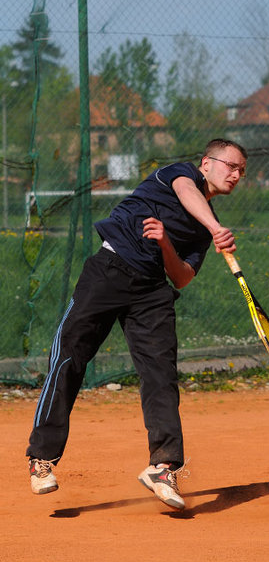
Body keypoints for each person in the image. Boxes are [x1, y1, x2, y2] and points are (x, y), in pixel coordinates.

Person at [26, 138, 247, 510]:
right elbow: (186, 192)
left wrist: (166, 245)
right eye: (231, 166)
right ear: (206, 163)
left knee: (161, 376)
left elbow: (182, 277)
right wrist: (212, 228)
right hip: (108, 271)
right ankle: (42, 459)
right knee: (68, 359)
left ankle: (162, 468)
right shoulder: (177, 174)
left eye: (242, 171)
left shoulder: (206, 228)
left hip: (152, 291)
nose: (237, 175)